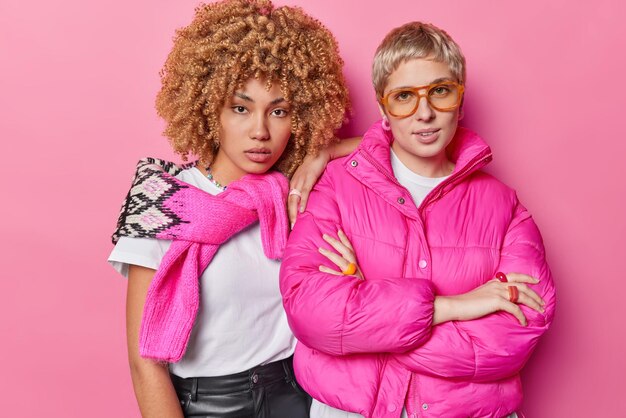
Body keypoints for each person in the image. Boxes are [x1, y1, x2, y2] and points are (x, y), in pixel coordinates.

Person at [280, 21, 556, 418]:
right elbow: (310, 311)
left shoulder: (505, 207)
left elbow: (516, 334)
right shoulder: (337, 187)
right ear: (383, 108)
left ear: (460, 100)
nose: (424, 113)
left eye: (440, 92)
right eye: (404, 96)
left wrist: (370, 317)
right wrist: (450, 307)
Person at [107, 1, 350, 416]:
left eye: (279, 111)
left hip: (298, 395)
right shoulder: (161, 201)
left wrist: (322, 152)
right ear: (208, 107)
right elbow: (144, 363)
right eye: (241, 108)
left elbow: (397, 144)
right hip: (207, 405)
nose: (260, 131)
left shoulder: (292, 193)